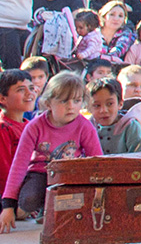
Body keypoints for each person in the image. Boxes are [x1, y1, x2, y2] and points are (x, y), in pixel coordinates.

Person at [1, 72, 101, 225]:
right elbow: (19, 165)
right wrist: (8, 205)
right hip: (41, 173)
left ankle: (55, 210)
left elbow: (97, 162)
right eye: (63, 101)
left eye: (77, 101)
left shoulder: (85, 126)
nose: (71, 107)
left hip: (70, 176)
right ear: (48, 103)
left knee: (76, 200)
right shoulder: (34, 126)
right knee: (28, 201)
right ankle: (44, 207)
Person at [0, 70, 34, 233]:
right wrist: (15, 202)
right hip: (7, 194)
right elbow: (6, 170)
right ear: (2, 98)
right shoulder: (3, 128)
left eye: (31, 88)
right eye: (21, 90)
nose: (29, 93)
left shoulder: (31, 126)